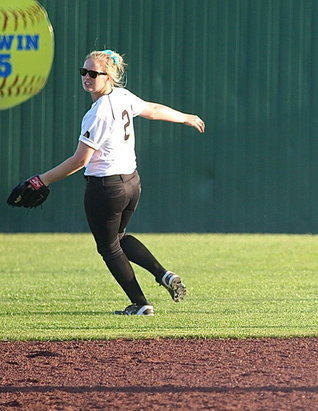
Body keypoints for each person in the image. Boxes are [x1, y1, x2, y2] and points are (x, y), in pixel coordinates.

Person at [32, 49, 205, 316]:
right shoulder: (122, 97)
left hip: (106, 188)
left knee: (108, 247)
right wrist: (185, 117)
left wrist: (40, 180)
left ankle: (141, 304)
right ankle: (164, 275)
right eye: (84, 72)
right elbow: (153, 110)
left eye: (93, 73)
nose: (87, 78)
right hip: (132, 184)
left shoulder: (98, 112)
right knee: (119, 238)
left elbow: (80, 160)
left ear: (108, 76)